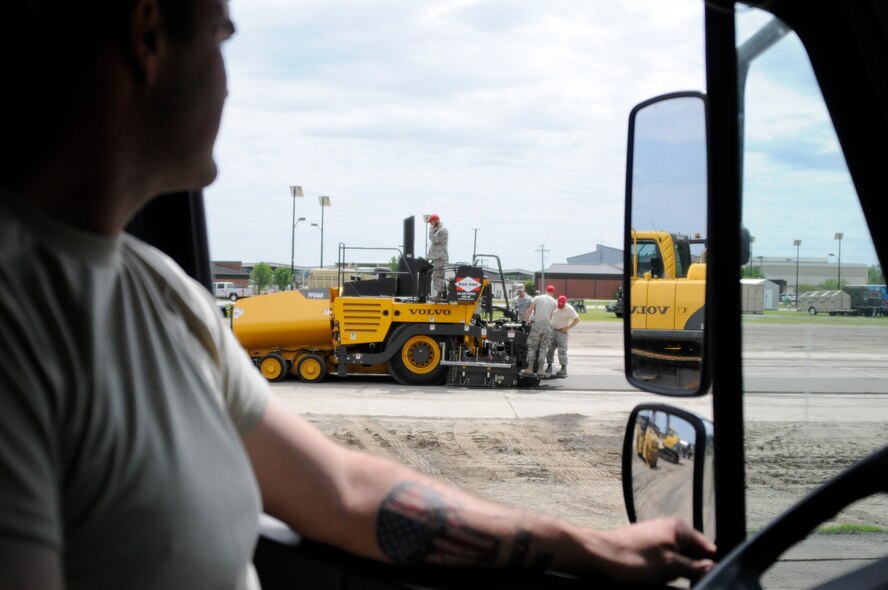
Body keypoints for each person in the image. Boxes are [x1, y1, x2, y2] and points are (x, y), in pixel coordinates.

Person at [0, 2, 716, 588]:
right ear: (148, 34)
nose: (228, 81)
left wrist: (585, 545)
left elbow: (342, 491)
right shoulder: (17, 317)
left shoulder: (165, 296)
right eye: (222, 37)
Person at [520, 285, 558, 378]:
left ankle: (529, 368)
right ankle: (541, 369)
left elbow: (529, 311)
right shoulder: (554, 302)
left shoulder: (537, 298)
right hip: (546, 327)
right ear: (553, 292)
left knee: (532, 347)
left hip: (536, 326)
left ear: (545, 290)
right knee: (543, 348)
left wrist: (525, 321)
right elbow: (552, 315)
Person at [546, 295, 580, 376]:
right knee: (550, 349)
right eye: (559, 305)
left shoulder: (569, 309)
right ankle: (549, 366)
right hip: (553, 330)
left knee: (562, 351)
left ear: (565, 303)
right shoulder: (554, 305)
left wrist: (568, 328)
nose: (560, 307)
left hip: (562, 333)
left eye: (562, 305)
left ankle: (563, 368)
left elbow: (577, 319)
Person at [427, 213, 449, 298]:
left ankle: (439, 295)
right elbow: (433, 244)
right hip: (437, 258)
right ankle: (441, 294)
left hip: (440, 258)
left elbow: (435, 240)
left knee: (438, 276)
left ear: (435, 222)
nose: (430, 225)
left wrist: (431, 230)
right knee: (437, 276)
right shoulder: (437, 230)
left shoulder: (442, 231)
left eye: (431, 223)